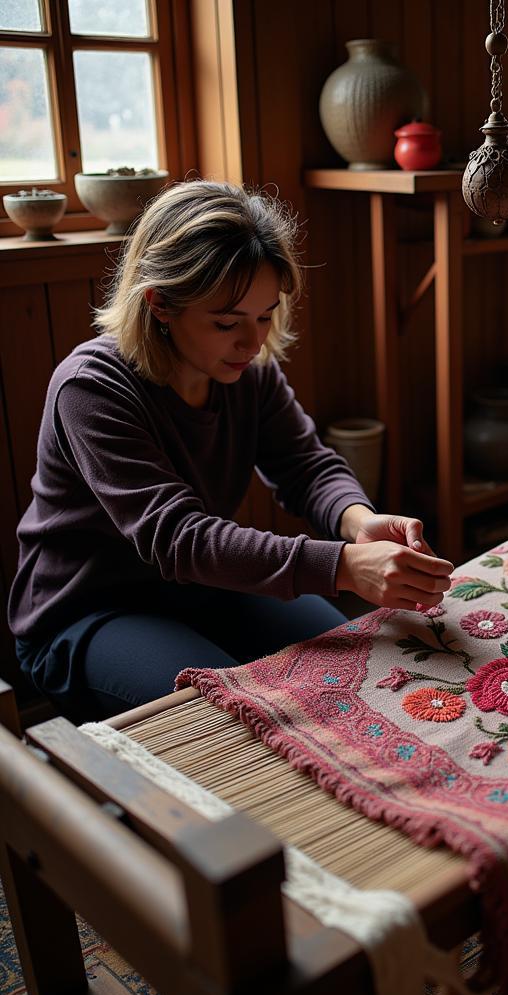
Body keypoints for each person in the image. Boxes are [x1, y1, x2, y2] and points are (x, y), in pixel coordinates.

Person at [7, 179, 453, 722]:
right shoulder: (91, 387)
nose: (253, 342)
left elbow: (306, 466)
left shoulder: (248, 371)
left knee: (366, 665)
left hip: (202, 588)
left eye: (265, 315)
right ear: (160, 304)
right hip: (86, 614)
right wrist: (343, 566)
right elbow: (178, 538)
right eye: (226, 322)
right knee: (240, 719)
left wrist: (359, 522)